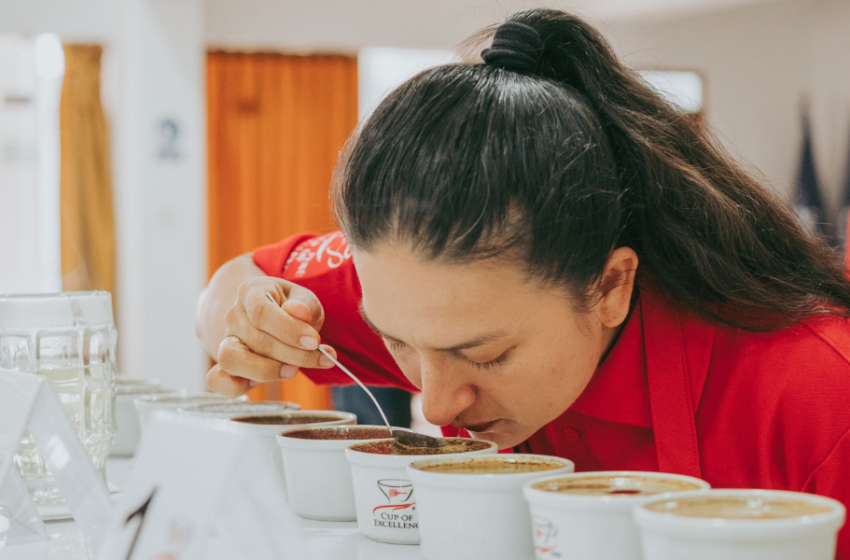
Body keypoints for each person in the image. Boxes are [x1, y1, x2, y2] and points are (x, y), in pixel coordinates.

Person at [196, 9, 850, 556]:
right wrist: (248, 318)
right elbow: (233, 283)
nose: (437, 405)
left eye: (484, 354)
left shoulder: (818, 395)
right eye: (396, 343)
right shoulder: (425, 291)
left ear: (611, 287)